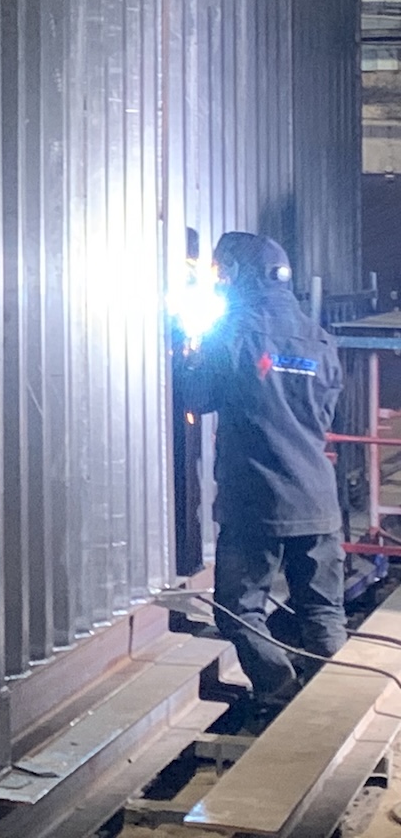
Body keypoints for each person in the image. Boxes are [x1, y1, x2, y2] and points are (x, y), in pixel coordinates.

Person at [177, 231, 346, 712]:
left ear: (235, 274)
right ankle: (333, 707)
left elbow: (196, 396)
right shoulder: (320, 338)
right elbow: (325, 415)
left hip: (257, 500)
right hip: (317, 499)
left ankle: (279, 692)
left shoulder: (235, 332)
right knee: (322, 611)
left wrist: (185, 349)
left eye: (219, 272)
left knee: (239, 610)